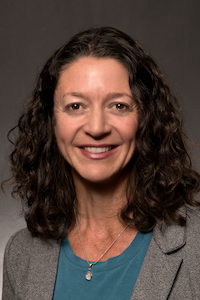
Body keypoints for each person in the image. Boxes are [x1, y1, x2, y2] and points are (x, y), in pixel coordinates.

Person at [2, 27, 200, 300]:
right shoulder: (20, 255)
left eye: (118, 106)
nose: (96, 128)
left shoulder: (196, 247)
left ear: (146, 118)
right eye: (75, 106)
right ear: (51, 122)